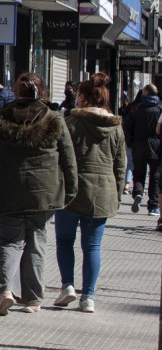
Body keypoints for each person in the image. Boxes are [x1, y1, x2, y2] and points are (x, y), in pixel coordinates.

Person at [0, 73, 78, 316]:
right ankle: (33, 300)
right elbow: (68, 157)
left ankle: (5, 290)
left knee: (9, 241)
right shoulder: (54, 119)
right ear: (43, 91)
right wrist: (71, 190)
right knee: (36, 242)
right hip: (43, 194)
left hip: (7, 191)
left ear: (16, 92)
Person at [55, 73, 125, 314]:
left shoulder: (70, 123)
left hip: (71, 192)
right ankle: (89, 297)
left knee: (65, 240)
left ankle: (68, 286)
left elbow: (60, 157)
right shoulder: (115, 127)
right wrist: (116, 195)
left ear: (82, 98)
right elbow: (120, 165)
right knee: (92, 246)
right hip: (102, 193)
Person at [124, 84, 162, 216]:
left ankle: (138, 193)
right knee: (155, 177)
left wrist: (130, 143)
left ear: (144, 94)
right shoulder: (159, 109)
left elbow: (127, 127)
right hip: (156, 148)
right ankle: (153, 206)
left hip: (138, 146)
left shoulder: (135, 109)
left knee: (139, 173)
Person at [121, 91, 143, 194]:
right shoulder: (143, 109)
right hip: (140, 142)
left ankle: (127, 184)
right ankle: (139, 187)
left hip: (129, 140)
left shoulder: (131, 107)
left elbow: (126, 125)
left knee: (130, 163)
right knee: (140, 164)